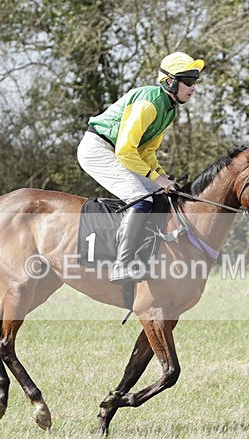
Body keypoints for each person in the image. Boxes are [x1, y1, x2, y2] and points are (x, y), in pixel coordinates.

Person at [77, 52, 204, 283]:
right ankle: (122, 265)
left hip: (118, 151)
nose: (193, 87)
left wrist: (163, 177)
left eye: (195, 81)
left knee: (160, 195)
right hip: (98, 149)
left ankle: (144, 257)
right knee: (141, 198)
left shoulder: (169, 109)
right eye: (188, 81)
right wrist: (157, 179)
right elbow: (126, 150)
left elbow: (146, 152)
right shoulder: (149, 103)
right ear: (170, 81)